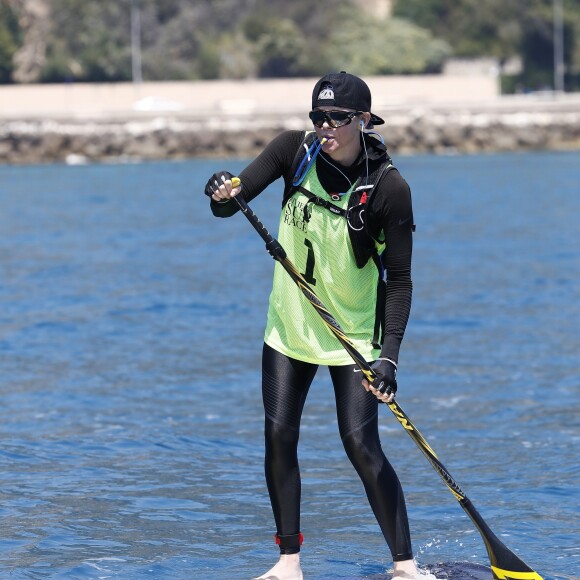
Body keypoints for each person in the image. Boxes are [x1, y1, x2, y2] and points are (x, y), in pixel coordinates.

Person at [204, 72, 431, 580]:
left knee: (360, 444)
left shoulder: (391, 189)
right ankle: (289, 563)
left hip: (352, 338)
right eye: (319, 117)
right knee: (279, 437)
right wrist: (220, 189)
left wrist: (389, 358)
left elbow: (401, 283)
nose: (326, 126)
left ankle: (406, 567)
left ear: (364, 120)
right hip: (288, 328)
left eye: (338, 118)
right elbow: (231, 200)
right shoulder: (293, 151)